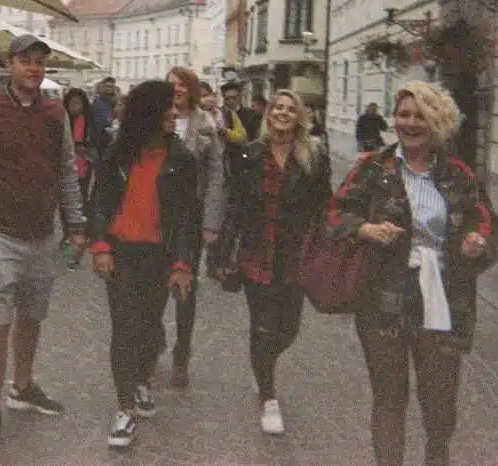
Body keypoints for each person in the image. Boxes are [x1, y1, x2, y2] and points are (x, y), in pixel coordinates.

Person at [327, 81, 498, 466]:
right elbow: (335, 213)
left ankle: (436, 457)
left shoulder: (459, 175)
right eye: (403, 114)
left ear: (437, 121)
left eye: (419, 114)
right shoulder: (373, 168)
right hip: (383, 297)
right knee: (389, 397)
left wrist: (477, 242)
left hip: (443, 296)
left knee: (439, 403)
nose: (409, 122)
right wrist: (364, 229)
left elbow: (487, 222)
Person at [0, 34, 87, 456]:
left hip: (41, 233)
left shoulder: (55, 115)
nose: (33, 68)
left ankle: (23, 385)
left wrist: (76, 223)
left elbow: (67, 170)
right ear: (9, 64)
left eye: (39, 63)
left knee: (31, 315)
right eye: (25, 61)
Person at [214, 89, 332, 434]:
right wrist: (222, 251)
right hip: (256, 250)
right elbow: (235, 205)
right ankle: (268, 396)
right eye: (277, 107)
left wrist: (330, 244)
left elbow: (325, 204)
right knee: (262, 323)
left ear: (299, 117)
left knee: (288, 328)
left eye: (289, 109)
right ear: (268, 115)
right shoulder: (251, 154)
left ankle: (262, 363)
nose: (282, 113)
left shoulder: (314, 156)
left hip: (294, 254)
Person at [90, 80, 199, 449]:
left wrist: (183, 263)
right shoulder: (118, 153)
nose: (175, 113)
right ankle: (124, 410)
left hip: (158, 256)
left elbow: (187, 217)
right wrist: (101, 244)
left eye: (176, 106)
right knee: (124, 328)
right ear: (148, 112)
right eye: (168, 106)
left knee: (149, 327)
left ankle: (140, 380)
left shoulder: (183, 160)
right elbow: (101, 199)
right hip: (121, 254)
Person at [161, 67, 226, 388]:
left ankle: (181, 353)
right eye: (171, 85)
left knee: (186, 286)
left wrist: (212, 222)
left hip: (192, 214)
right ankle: (154, 339)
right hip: (158, 215)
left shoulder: (205, 123)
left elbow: (216, 176)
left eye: (182, 84)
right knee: (154, 281)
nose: (177, 90)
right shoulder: (156, 118)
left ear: (192, 88)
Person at [63, 87, 97, 269]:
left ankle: (73, 248)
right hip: (65, 168)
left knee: (78, 205)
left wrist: (85, 149)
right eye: (72, 103)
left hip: (83, 168)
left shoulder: (89, 121)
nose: (75, 107)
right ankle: (68, 238)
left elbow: (94, 144)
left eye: (78, 103)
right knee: (65, 206)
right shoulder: (62, 119)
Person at [91, 76, 118, 156]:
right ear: (102, 87)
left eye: (111, 86)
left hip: (112, 140)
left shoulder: (116, 102)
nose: (109, 88)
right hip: (98, 140)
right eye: (107, 86)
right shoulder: (96, 102)